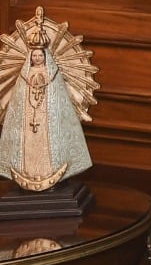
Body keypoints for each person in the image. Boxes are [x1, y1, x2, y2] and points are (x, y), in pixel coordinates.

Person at [0, 26, 94, 190]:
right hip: (28, 121)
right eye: (34, 55)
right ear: (30, 56)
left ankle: (52, 169)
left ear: (45, 56)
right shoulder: (24, 75)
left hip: (49, 121)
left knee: (49, 147)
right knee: (28, 147)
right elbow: (18, 101)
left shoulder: (53, 74)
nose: (37, 58)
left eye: (39, 55)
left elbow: (60, 100)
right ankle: (27, 172)